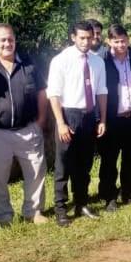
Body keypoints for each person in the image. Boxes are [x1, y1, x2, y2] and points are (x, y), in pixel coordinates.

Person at [0, 23, 49, 226]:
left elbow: (42, 91)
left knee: (36, 172)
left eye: (11, 39)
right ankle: (3, 217)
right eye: (3, 39)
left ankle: (33, 212)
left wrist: (40, 120)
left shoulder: (28, 62)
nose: (7, 43)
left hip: (28, 129)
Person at [46, 20, 108, 227]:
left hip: (89, 116)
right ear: (73, 37)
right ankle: (61, 208)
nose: (86, 41)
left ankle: (81, 203)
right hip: (68, 114)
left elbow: (101, 92)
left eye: (90, 37)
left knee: (85, 163)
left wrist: (102, 119)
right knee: (64, 164)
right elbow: (53, 94)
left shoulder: (97, 61)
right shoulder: (61, 60)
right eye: (82, 38)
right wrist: (61, 123)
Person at [99, 24, 131, 209]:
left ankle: (127, 191)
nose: (120, 45)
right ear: (109, 41)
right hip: (111, 118)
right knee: (109, 159)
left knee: (130, 158)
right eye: (116, 41)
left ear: (128, 40)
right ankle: (109, 197)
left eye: (123, 41)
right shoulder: (102, 61)